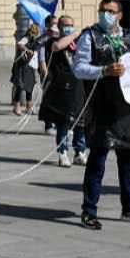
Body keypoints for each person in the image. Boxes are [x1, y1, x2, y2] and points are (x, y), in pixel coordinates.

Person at [73, 0, 130, 230]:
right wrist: (104, 70)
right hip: (102, 106)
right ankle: (89, 211)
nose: (105, 14)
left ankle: (129, 207)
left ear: (120, 15)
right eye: (102, 10)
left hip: (128, 108)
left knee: (128, 160)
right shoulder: (90, 36)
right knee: (97, 161)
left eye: (111, 11)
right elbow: (78, 68)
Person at [39, 15, 86, 167]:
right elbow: (57, 47)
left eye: (72, 25)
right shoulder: (53, 41)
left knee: (81, 122)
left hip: (78, 86)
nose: (69, 27)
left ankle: (80, 152)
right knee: (63, 123)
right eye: (66, 25)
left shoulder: (76, 42)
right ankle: (63, 153)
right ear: (59, 27)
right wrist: (74, 34)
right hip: (62, 88)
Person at [11, 23, 41, 116]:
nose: (33, 34)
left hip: (31, 66)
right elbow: (19, 44)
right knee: (20, 86)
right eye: (32, 32)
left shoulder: (36, 40)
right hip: (23, 66)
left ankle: (29, 107)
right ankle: (16, 106)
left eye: (35, 32)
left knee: (30, 87)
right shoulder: (26, 38)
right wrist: (28, 51)